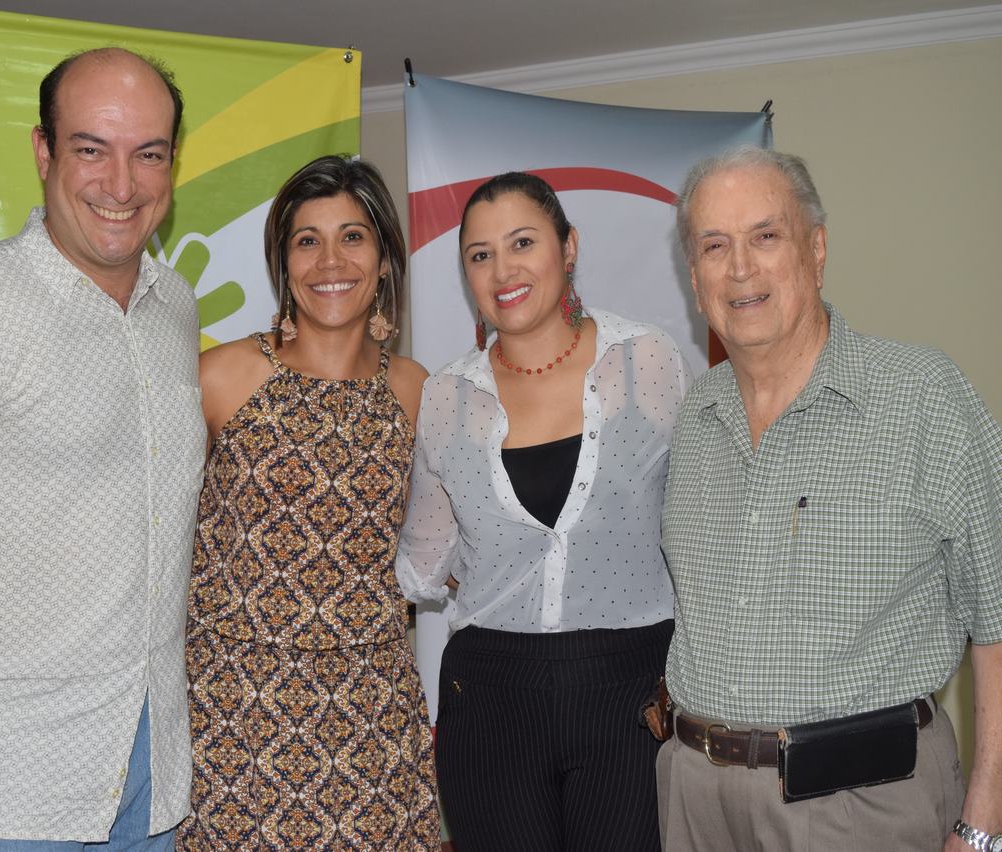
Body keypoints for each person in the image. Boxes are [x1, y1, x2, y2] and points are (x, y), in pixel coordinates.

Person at [0, 49, 207, 849]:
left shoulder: (176, 310)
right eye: (91, 148)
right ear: (43, 152)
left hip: (153, 780)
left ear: (171, 163)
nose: (121, 185)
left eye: (147, 153)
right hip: (6, 794)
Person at [658, 145, 1002, 851]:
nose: (740, 268)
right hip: (693, 805)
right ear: (694, 280)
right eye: (714, 246)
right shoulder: (693, 419)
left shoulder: (921, 397)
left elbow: (997, 619)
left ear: (815, 250)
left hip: (858, 808)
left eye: (765, 236)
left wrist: (981, 826)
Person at [398, 172, 689, 851]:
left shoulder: (644, 360)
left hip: (632, 693)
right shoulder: (446, 396)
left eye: (522, 242)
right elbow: (421, 563)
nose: (502, 269)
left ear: (568, 247)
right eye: (479, 254)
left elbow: (696, 523)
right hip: (490, 697)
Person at [176, 155, 439, 849]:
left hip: (371, 715)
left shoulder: (416, 391)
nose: (330, 260)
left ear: (383, 259)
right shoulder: (219, 378)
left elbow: (440, 544)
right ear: (282, 262)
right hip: (234, 719)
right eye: (306, 239)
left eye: (352, 236)